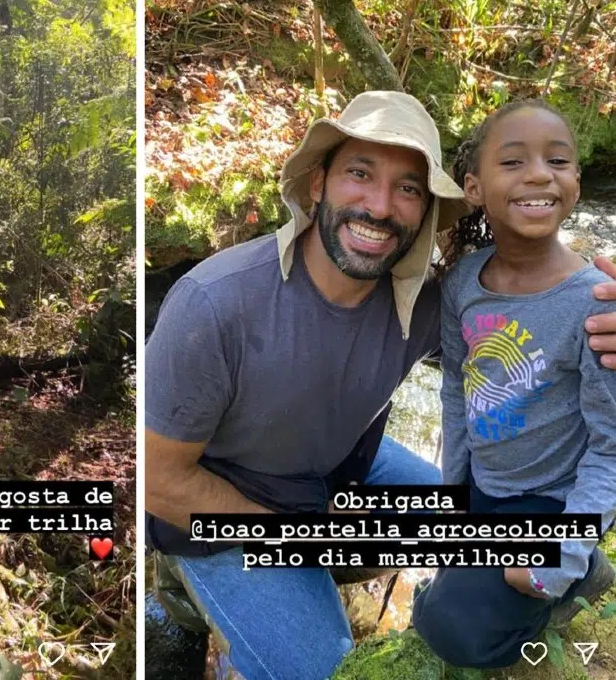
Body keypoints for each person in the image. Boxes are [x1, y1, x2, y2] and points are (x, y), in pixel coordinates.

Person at [145, 91, 616, 680]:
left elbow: (530, 335)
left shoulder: (426, 299)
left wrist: (606, 316)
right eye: (359, 174)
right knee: (331, 672)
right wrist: (302, 536)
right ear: (317, 184)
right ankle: (188, 593)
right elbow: (159, 482)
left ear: (426, 210)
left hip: (344, 473)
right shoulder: (215, 304)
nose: (380, 206)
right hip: (221, 507)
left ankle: (571, 564)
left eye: (409, 188)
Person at [412, 99, 616, 668]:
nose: (538, 174)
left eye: (558, 160)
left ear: (576, 180)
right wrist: (453, 495)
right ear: (474, 188)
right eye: (514, 161)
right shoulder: (462, 285)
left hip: (550, 499)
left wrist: (563, 551)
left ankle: (577, 574)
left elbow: (610, 444)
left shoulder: (595, 304)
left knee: (448, 627)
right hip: (484, 488)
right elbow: (457, 391)